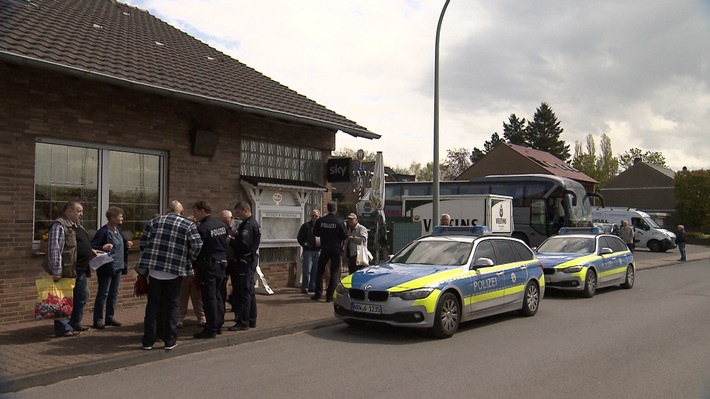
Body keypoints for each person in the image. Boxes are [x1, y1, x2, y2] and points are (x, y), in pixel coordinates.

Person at [137, 200, 202, 350]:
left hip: (154, 269)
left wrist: (149, 257)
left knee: (152, 305)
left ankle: (148, 341)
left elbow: (143, 243)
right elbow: (197, 245)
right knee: (173, 304)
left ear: (167, 210)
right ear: (181, 211)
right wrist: (188, 258)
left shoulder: (154, 222)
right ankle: (169, 340)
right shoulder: (188, 224)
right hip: (174, 269)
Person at [46, 200, 98, 337]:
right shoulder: (59, 225)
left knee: (82, 297)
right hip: (66, 270)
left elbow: (79, 244)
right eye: (78, 211)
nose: (81, 214)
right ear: (68, 211)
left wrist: (91, 251)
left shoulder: (78, 226)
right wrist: (57, 271)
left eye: (81, 211)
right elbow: (54, 249)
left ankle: (75, 323)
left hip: (80, 269)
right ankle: (64, 328)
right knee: (63, 300)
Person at [90, 206, 132, 329]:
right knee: (103, 292)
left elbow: (121, 242)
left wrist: (127, 243)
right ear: (112, 218)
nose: (122, 218)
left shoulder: (118, 229)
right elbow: (93, 246)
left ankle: (110, 317)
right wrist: (103, 247)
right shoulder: (103, 231)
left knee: (113, 293)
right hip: (107, 266)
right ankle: (97, 319)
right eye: (120, 216)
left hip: (118, 266)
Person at [192, 201, 229, 339]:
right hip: (221, 265)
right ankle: (218, 324)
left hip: (208, 266)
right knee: (219, 296)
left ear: (202, 211)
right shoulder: (222, 225)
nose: (195, 216)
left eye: (195, 212)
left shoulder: (203, 228)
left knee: (209, 298)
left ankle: (211, 328)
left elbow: (197, 249)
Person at [228, 201, 261, 331]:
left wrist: (231, 240)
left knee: (244, 293)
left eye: (238, 212)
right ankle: (251, 319)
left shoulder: (248, 225)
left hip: (245, 261)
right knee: (250, 292)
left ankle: (243, 321)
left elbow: (243, 245)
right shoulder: (253, 223)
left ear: (245, 210)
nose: (237, 215)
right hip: (250, 260)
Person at [311, 202, 347, 302]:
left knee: (320, 271)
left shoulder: (321, 221)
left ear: (327, 209)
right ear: (335, 210)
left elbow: (316, 233)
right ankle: (329, 296)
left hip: (325, 248)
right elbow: (344, 236)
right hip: (335, 248)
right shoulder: (339, 222)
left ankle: (318, 294)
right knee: (334, 272)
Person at [178, 212, 206, 329]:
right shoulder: (183, 235)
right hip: (186, 268)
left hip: (193, 268)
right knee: (183, 295)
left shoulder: (199, 234)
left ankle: (201, 317)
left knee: (196, 296)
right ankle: (180, 318)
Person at [218, 210, 237, 315]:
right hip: (224, 260)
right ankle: (222, 307)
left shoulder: (235, 229)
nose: (225, 221)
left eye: (227, 219)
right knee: (222, 284)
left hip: (233, 260)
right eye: (223, 220)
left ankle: (234, 304)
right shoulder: (221, 230)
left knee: (235, 284)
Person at [297, 209, 320, 294]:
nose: (314, 217)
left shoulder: (321, 226)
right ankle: (305, 287)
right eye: (312, 216)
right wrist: (305, 244)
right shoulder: (306, 226)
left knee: (315, 270)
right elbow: (299, 238)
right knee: (307, 270)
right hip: (308, 251)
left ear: (319, 216)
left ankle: (312, 286)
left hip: (318, 250)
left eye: (316, 216)